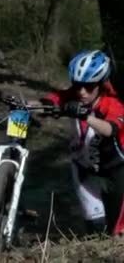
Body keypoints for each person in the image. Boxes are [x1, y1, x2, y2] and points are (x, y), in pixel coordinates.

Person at [34, 50, 124, 236]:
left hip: (116, 172)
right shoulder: (72, 95)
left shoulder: (112, 104)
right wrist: (19, 103)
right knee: (95, 230)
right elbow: (47, 102)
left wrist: (84, 115)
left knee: (117, 233)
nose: (81, 92)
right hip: (84, 170)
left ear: (100, 84)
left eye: (89, 86)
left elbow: (110, 129)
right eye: (77, 85)